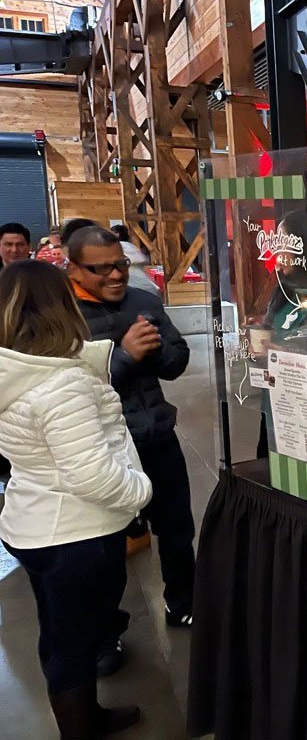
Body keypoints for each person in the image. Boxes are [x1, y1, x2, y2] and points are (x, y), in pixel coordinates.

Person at [0, 260, 152, 739]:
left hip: (35, 527)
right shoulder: (60, 386)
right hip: (77, 534)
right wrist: (141, 491)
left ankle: (85, 716)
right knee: (75, 643)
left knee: (61, 634)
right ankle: (81, 728)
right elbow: (92, 475)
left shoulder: (17, 373)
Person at [66, 226, 196, 627]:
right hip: (100, 450)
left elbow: (177, 362)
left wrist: (152, 351)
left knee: (177, 531)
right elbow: (65, 392)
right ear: (74, 270)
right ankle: (105, 633)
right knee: (105, 547)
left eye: (120, 264)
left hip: (157, 439)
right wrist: (124, 356)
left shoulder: (143, 300)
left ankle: (185, 605)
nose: (116, 275)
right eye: (100, 268)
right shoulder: (61, 315)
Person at [110, 223, 161, 295]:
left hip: (132, 282)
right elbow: (143, 259)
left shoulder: (118, 248)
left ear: (117, 234)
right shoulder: (132, 246)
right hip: (144, 282)